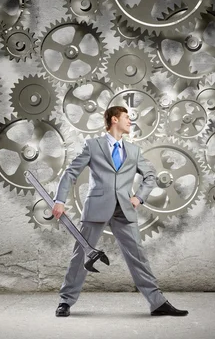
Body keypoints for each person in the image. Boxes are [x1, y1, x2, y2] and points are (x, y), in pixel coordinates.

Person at [51, 105, 189, 317]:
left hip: (124, 209)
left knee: (138, 256)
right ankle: (65, 301)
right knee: (81, 255)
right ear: (114, 119)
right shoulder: (93, 145)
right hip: (97, 208)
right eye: (126, 117)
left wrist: (139, 197)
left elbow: (150, 176)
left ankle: (157, 302)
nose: (130, 121)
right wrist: (60, 200)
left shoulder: (133, 150)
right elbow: (70, 173)